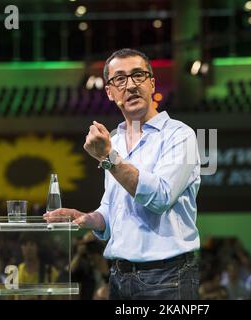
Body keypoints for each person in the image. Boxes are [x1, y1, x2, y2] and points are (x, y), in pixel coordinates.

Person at [44, 48, 201, 300]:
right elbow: (113, 210)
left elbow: (160, 197)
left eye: (138, 75)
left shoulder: (180, 135)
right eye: (120, 79)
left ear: (151, 83)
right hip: (119, 276)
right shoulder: (114, 141)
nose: (130, 85)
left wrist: (109, 159)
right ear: (109, 91)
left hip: (167, 278)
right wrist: (88, 218)